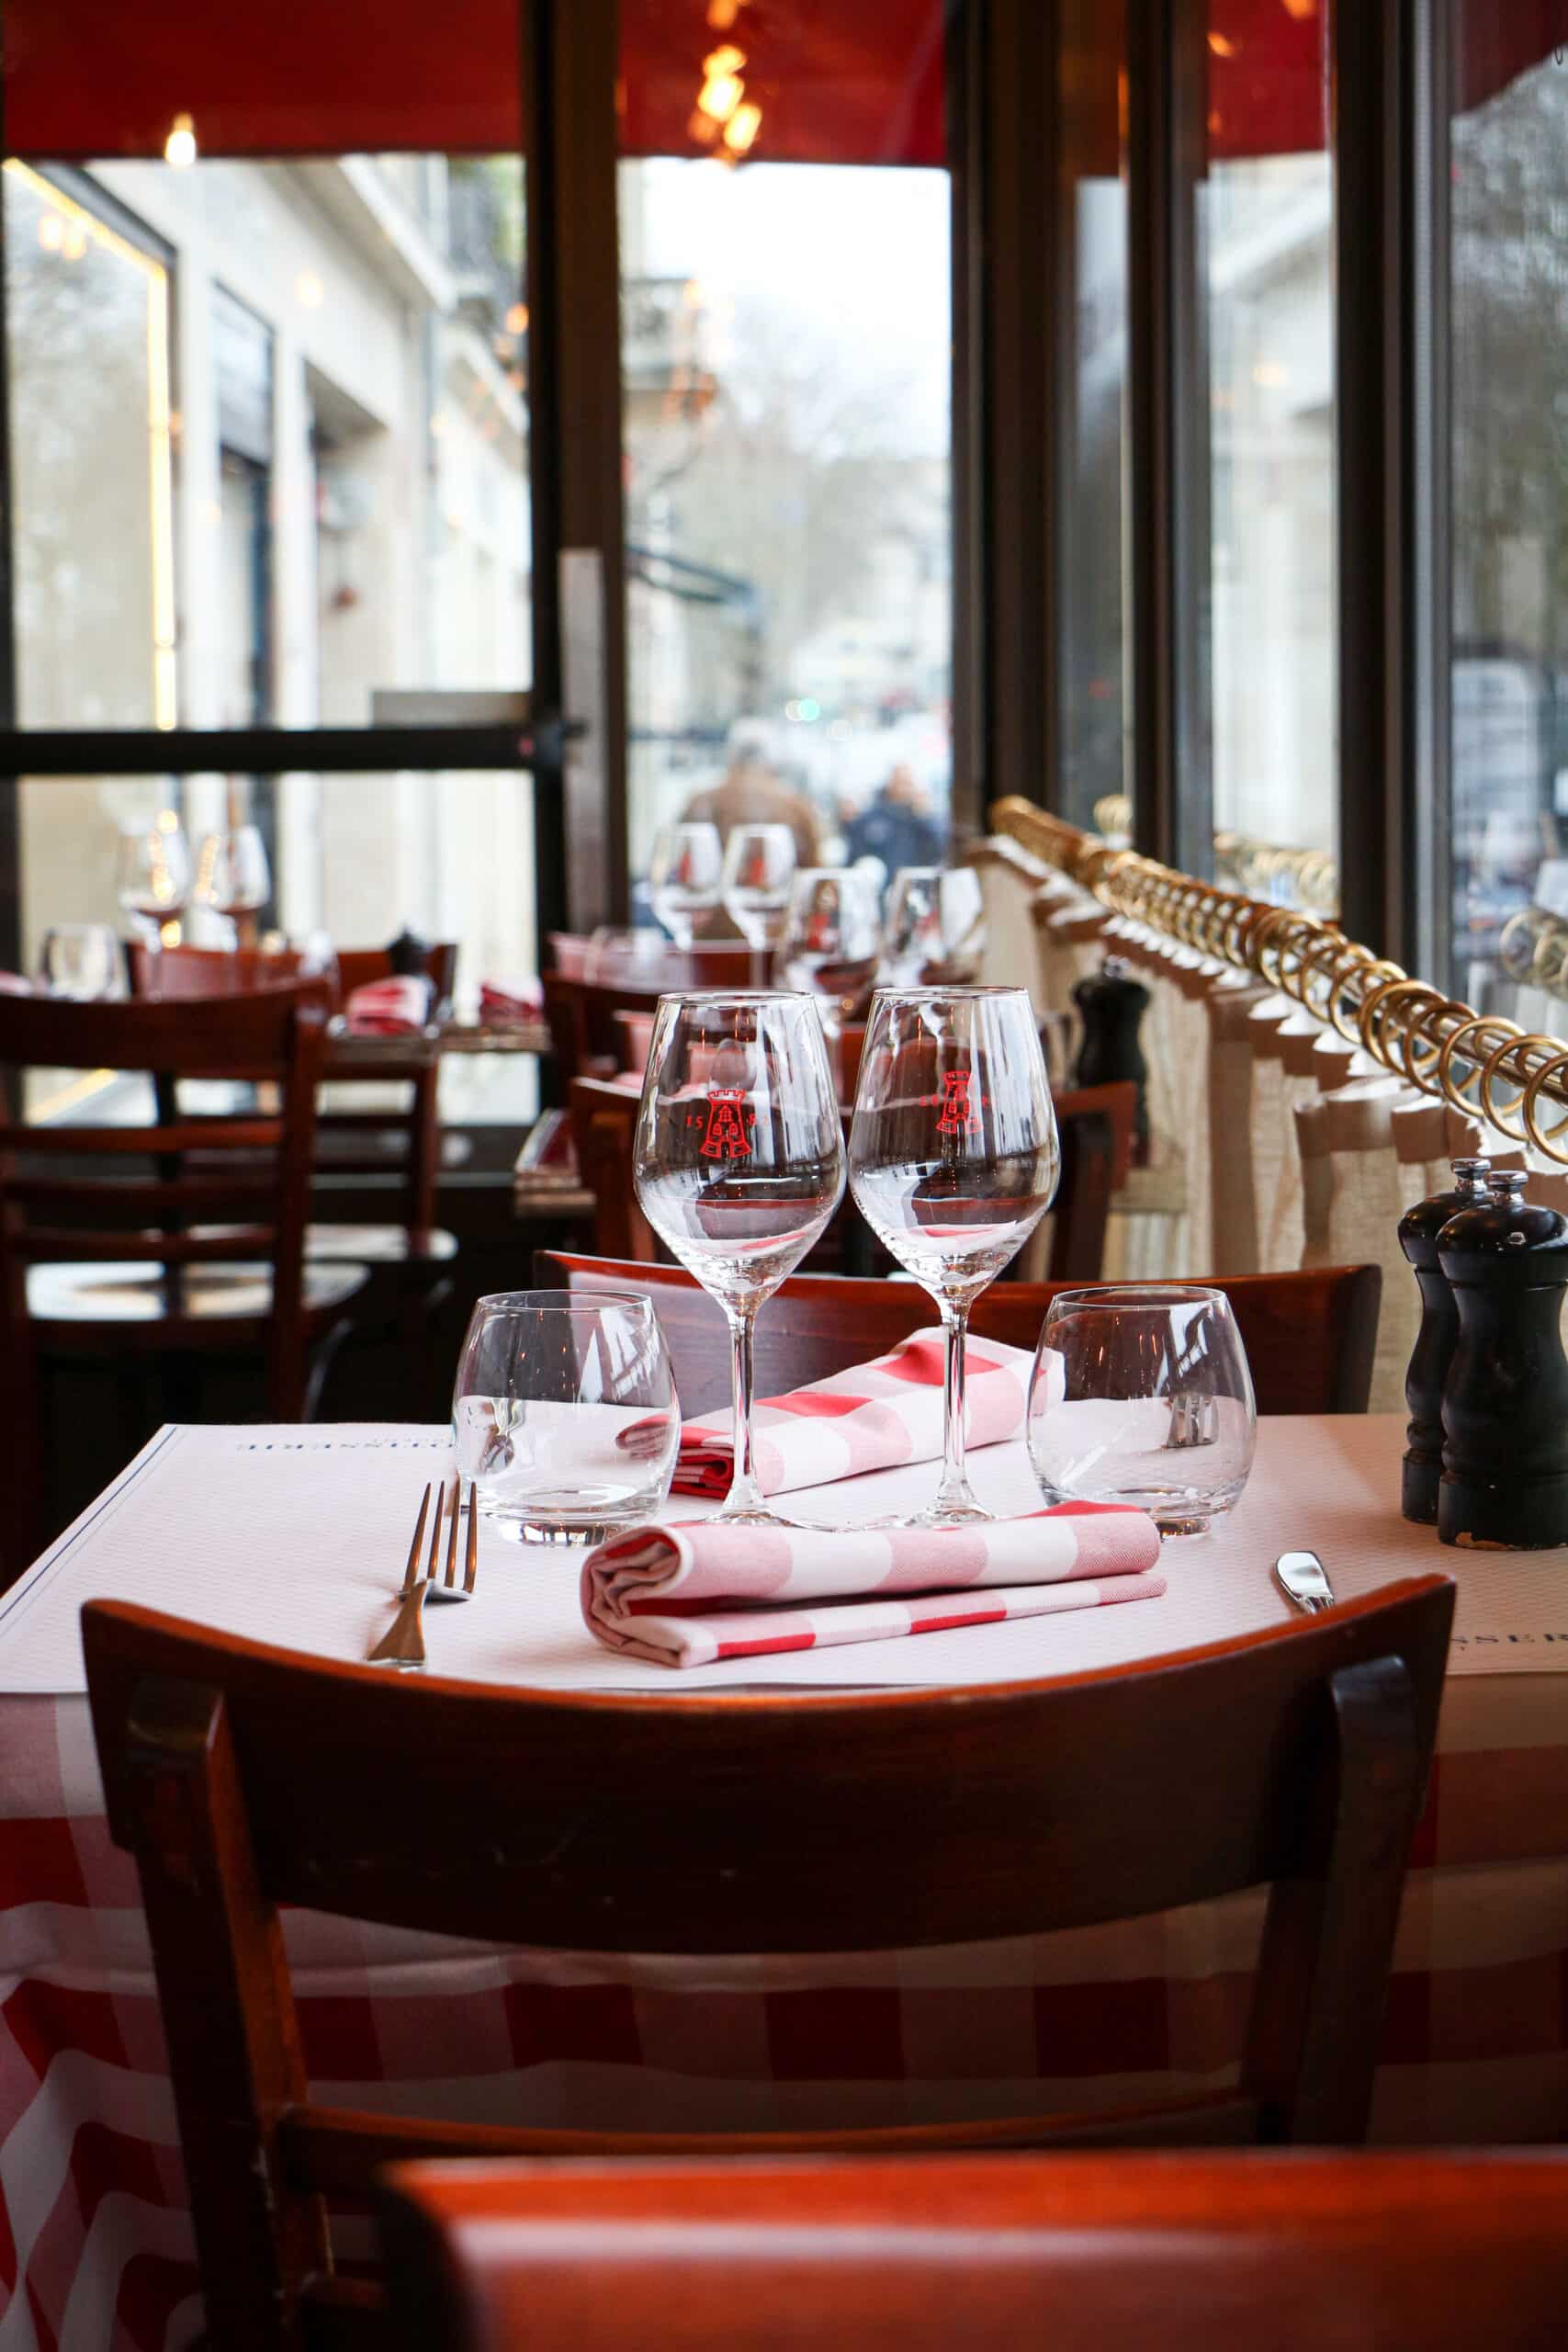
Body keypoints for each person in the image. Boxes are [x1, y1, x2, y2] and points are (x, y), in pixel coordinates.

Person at [681, 740, 823, 869]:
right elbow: (814, 872)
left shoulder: (701, 801)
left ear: (731, 762)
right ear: (771, 765)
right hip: (783, 888)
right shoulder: (796, 805)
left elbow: (683, 864)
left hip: (713, 889)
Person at [843, 763, 944, 876]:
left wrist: (925, 817)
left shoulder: (920, 819)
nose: (903, 788)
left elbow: (939, 850)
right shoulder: (870, 819)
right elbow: (854, 857)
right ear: (890, 782)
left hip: (911, 883)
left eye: (907, 783)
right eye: (899, 781)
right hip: (879, 884)